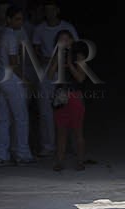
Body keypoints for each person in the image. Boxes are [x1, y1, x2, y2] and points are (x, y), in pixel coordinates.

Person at [30, 2, 78, 159]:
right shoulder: (39, 29)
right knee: (46, 112)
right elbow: (35, 52)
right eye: (47, 10)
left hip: (65, 74)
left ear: (57, 10)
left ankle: (69, 146)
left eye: (52, 9)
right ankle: (48, 146)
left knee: (66, 110)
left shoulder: (67, 27)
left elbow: (76, 48)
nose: (49, 13)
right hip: (46, 72)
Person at [0, 7, 35, 168]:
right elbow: (13, 62)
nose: (20, 22)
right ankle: (22, 153)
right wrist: (25, 79)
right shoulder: (10, 35)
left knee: (3, 119)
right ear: (8, 20)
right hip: (10, 78)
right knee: (21, 117)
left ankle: (1, 154)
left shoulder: (1, 34)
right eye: (17, 19)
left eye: (21, 19)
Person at [47, 30, 88, 172]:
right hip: (60, 94)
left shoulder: (79, 56)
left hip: (74, 93)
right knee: (61, 131)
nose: (64, 42)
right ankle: (59, 161)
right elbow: (50, 75)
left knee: (77, 130)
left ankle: (80, 160)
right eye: (60, 40)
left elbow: (81, 78)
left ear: (72, 41)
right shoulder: (56, 56)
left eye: (66, 40)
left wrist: (70, 63)